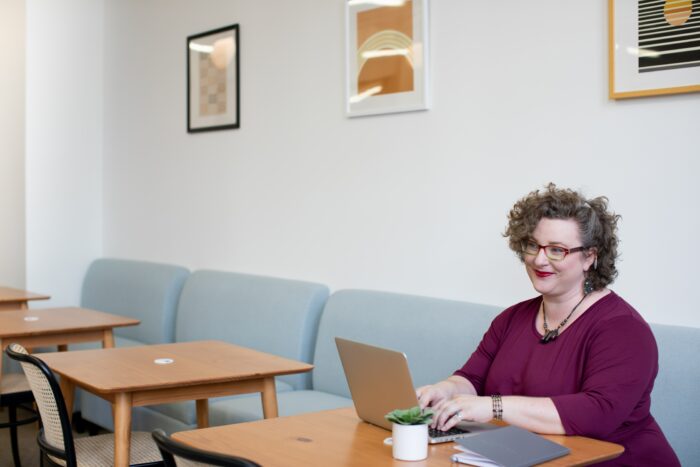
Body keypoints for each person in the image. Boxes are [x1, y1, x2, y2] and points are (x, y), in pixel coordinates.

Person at [417, 183, 679, 466]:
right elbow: (472, 378)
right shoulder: (511, 319)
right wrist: (445, 389)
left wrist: (492, 407)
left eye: (557, 250)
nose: (539, 259)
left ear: (589, 257)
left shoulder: (623, 329)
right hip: (533, 458)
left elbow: (598, 413)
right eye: (533, 245)